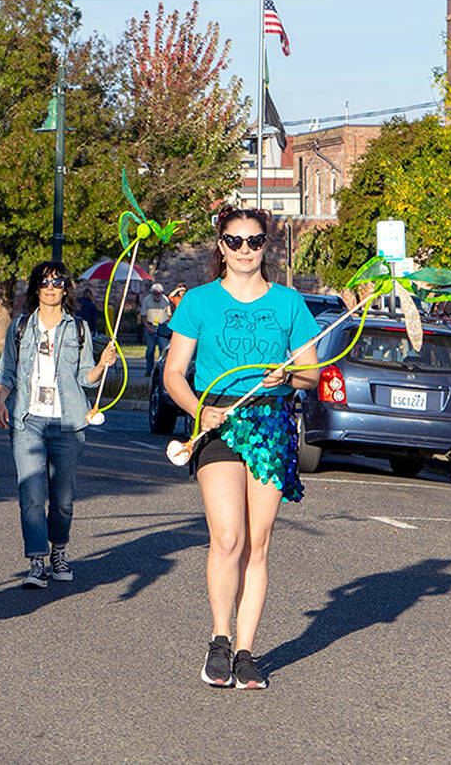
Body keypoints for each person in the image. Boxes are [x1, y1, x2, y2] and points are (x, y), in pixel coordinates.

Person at [162, 206, 320, 690]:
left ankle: (248, 652)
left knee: (258, 541)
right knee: (227, 536)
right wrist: (198, 411)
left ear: (266, 246)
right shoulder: (199, 302)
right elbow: (173, 373)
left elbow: (312, 376)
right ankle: (220, 639)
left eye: (254, 241)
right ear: (221, 247)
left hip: (270, 419)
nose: (246, 250)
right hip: (219, 418)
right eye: (236, 241)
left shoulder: (290, 303)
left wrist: (287, 375)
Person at [0, 261, 116, 588]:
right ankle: (36, 561)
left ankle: (58, 550)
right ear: (36, 289)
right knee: (31, 494)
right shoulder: (20, 327)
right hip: (28, 421)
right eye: (45, 283)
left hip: (68, 422)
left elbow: (85, 379)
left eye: (58, 282)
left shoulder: (78, 328)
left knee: (62, 498)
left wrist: (102, 365)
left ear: (66, 288)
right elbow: (6, 370)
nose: (51, 288)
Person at [140, 281, 173, 374]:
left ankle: (161, 370)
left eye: (159, 293)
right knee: (150, 349)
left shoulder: (165, 300)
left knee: (163, 349)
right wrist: (147, 327)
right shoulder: (147, 300)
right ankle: (148, 369)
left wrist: (167, 326)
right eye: (155, 293)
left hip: (161, 326)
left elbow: (169, 314)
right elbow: (143, 315)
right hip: (150, 326)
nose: (157, 295)